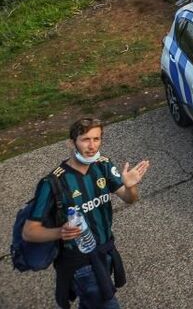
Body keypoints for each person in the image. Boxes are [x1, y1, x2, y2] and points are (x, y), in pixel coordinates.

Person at [23, 118, 150, 309]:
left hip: (105, 251)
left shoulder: (104, 165)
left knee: (91, 303)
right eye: (85, 139)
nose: (92, 146)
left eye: (96, 139)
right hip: (79, 262)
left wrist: (131, 187)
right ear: (71, 142)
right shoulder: (52, 182)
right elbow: (29, 232)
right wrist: (60, 233)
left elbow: (129, 199)